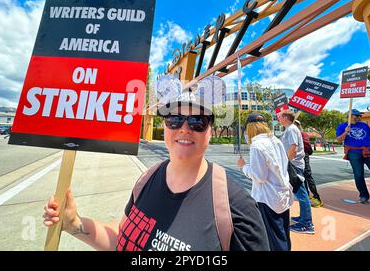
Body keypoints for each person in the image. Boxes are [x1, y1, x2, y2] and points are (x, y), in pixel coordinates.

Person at [43, 92, 270, 251]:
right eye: (174, 119)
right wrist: (75, 224)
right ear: (165, 128)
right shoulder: (147, 178)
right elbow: (124, 239)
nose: (184, 128)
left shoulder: (235, 205)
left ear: (210, 133)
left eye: (197, 121)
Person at [237, 113, 293, 251]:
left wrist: (243, 166)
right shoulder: (276, 140)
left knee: (273, 238)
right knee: (283, 233)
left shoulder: (256, 145)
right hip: (282, 193)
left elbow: (259, 176)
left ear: (250, 128)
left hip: (267, 198)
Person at [278, 110, 315, 234]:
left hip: (293, 165)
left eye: (280, 116)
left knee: (301, 194)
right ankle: (304, 217)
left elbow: (293, 148)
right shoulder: (290, 129)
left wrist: (286, 163)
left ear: (285, 117)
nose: (278, 118)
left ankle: (307, 224)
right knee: (300, 192)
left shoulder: (291, 129)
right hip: (295, 165)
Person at [336, 109, 370, 204]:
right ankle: (363, 195)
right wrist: (345, 132)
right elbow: (339, 139)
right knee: (358, 175)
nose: (360, 117)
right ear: (350, 116)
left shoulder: (364, 125)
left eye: (360, 115)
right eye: (357, 115)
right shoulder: (342, 126)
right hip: (354, 152)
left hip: (369, 151)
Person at [294, 120, 323, 208]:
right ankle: (308, 196)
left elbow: (306, 147)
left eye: (296, 125)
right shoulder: (297, 134)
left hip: (302, 156)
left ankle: (316, 197)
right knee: (303, 178)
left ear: (299, 126)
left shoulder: (301, 134)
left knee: (307, 176)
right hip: (299, 158)